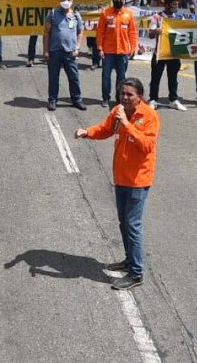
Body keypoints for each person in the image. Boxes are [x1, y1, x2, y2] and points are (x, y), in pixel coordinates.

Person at [73, 77, 160, 291]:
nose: (125, 97)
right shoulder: (118, 111)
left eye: (130, 94)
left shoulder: (149, 116)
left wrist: (128, 124)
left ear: (140, 96)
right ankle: (129, 261)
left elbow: (147, 145)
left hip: (138, 180)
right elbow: (106, 129)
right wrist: (87, 132)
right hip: (121, 177)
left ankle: (136, 273)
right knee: (124, 223)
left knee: (133, 226)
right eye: (122, 93)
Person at [43, 0, 85, 111]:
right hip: (54, 51)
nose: (66, 1)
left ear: (72, 2)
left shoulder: (76, 15)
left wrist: (77, 48)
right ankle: (52, 100)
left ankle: (77, 99)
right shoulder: (52, 14)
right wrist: (46, 51)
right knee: (53, 77)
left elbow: (80, 32)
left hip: (70, 52)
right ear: (60, 0)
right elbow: (46, 33)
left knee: (74, 77)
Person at [97, 0, 138, 107]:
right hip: (108, 51)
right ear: (112, 0)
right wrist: (100, 48)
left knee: (121, 78)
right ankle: (105, 98)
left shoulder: (128, 14)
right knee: (106, 76)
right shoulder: (106, 13)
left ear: (124, 0)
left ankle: (119, 99)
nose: (118, 1)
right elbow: (100, 32)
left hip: (123, 51)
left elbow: (132, 32)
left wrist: (133, 48)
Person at [149, 0, 187, 111]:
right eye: (173, 5)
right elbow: (150, 34)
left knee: (173, 78)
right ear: (166, 5)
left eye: (177, 5)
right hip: (159, 53)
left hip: (174, 54)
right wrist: (156, 31)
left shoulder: (180, 18)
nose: (175, 7)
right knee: (155, 78)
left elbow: (186, 32)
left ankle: (173, 100)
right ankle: (153, 100)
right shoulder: (157, 17)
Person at [24, 0, 60, 66]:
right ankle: (31, 58)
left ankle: (49, 57)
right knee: (33, 37)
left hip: (49, 16)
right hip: (35, 15)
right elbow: (26, 0)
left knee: (50, 37)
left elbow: (56, 0)